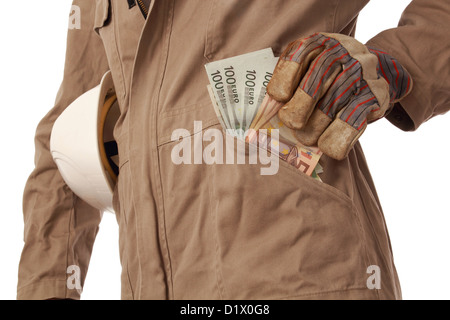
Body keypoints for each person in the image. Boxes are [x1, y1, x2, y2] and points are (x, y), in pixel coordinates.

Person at [17, 0, 449, 300]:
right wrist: (50, 286)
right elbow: (68, 127)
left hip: (301, 264)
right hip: (145, 277)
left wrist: (398, 65)